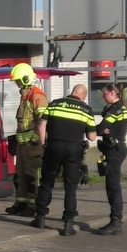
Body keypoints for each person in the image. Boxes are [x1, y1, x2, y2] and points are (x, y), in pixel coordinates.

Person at [31, 83, 97, 236]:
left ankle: (40, 217)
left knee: (47, 182)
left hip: (53, 147)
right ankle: (68, 224)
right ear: (83, 96)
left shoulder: (54, 104)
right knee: (70, 187)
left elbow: (41, 126)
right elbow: (92, 137)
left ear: (72, 92)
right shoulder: (86, 110)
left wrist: (44, 144)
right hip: (74, 151)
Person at [5, 64, 49, 217]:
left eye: (18, 80)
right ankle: (21, 202)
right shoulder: (24, 97)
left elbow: (43, 121)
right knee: (20, 175)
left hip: (33, 145)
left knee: (32, 176)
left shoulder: (37, 96)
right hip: (23, 144)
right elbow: (23, 122)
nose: (16, 83)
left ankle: (33, 205)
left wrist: (36, 139)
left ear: (25, 79)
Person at [96, 83, 127, 235]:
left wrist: (103, 130)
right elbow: (103, 128)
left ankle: (116, 221)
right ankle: (115, 220)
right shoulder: (117, 108)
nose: (103, 97)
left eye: (104, 94)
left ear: (112, 93)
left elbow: (99, 128)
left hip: (114, 150)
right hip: (114, 148)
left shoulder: (116, 109)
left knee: (113, 186)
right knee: (111, 185)